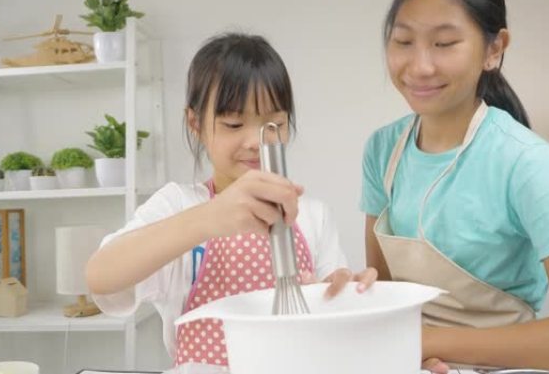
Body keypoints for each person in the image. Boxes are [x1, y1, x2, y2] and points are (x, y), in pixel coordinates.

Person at [361, 0, 549, 373]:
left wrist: (431, 342)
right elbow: (385, 297)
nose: (420, 66)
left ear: (494, 49)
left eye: (444, 43)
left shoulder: (524, 160)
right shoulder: (382, 150)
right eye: (403, 41)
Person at [86, 33, 377, 368]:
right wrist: (210, 217)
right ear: (195, 123)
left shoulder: (313, 215)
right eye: (234, 123)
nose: (256, 141)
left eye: (275, 124)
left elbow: (330, 305)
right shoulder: (178, 205)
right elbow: (101, 275)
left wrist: (345, 296)